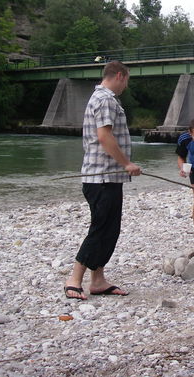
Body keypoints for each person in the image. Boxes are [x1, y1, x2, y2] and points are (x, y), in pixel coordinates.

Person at [64, 61, 141, 300]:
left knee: (110, 229)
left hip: (105, 177)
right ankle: (74, 280)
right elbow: (104, 136)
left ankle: (98, 280)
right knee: (100, 229)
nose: (126, 85)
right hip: (102, 177)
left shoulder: (99, 98)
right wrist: (126, 164)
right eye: (126, 80)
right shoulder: (106, 99)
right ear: (119, 75)